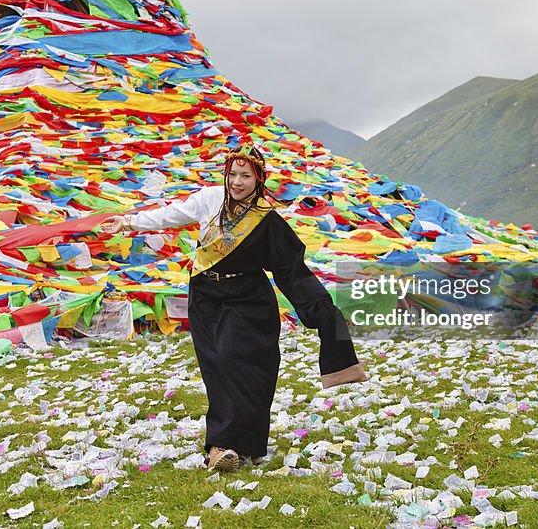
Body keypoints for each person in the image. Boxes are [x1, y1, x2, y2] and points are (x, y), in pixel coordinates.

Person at [101, 144, 367, 472]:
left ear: (259, 179)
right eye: (233, 174)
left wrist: (322, 311)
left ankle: (236, 447)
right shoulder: (209, 199)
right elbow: (169, 215)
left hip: (248, 300)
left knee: (248, 368)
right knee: (220, 368)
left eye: (246, 176)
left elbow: (291, 271)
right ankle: (229, 448)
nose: (237, 182)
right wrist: (127, 222)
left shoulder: (264, 220)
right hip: (206, 298)